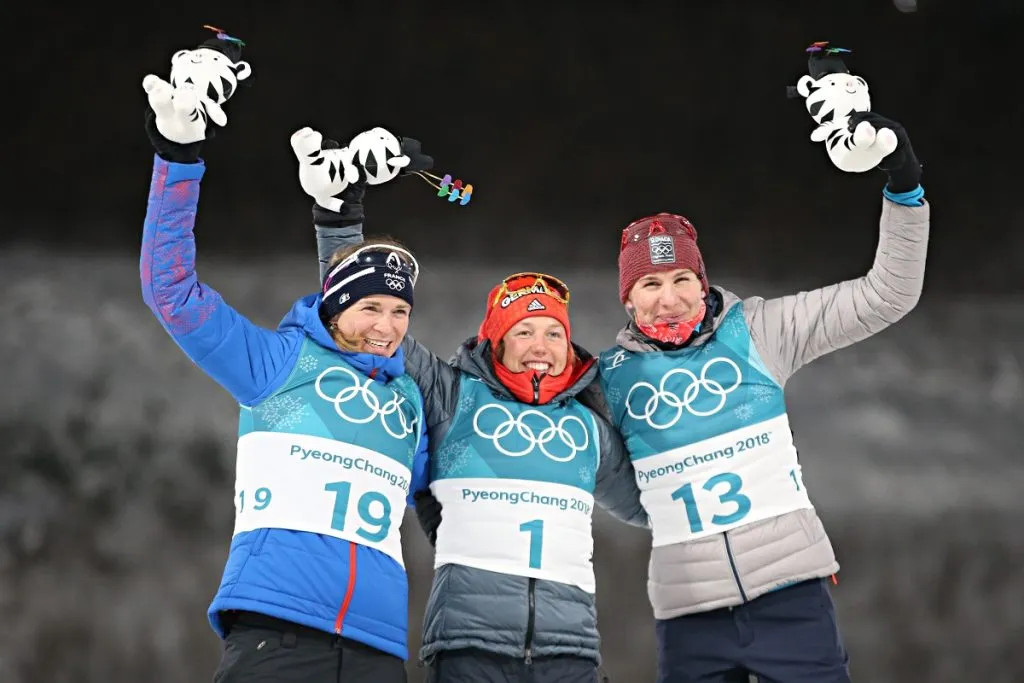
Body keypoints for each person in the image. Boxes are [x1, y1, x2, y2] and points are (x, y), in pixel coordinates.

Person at [300, 128, 648, 683]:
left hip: (573, 654)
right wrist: (339, 218)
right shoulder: (451, 395)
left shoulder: (588, 429)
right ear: (496, 343)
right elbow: (359, 316)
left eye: (553, 334)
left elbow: (655, 504)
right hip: (468, 648)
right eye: (524, 332)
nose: (540, 346)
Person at [596, 107, 930, 682]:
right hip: (688, 611)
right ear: (629, 301)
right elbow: (618, 486)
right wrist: (670, 498)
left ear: (703, 284)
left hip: (790, 600)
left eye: (682, 280)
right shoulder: (609, 377)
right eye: (650, 284)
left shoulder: (759, 330)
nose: (668, 298)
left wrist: (903, 183)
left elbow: (886, 295)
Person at [139, 34, 433, 683]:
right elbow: (171, 289)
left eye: (401, 312)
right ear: (338, 308)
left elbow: (455, 487)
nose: (387, 327)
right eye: (373, 310)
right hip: (277, 637)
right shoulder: (277, 365)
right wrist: (177, 152)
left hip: (379, 651)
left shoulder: (406, 396)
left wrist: (340, 209)